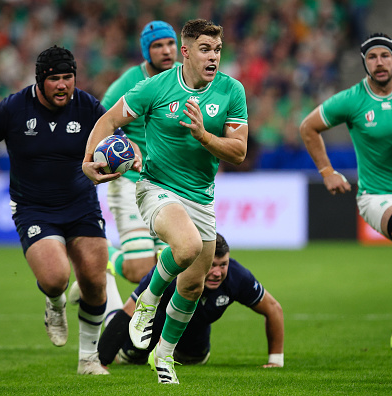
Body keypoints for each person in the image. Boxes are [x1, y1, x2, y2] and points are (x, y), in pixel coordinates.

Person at [0, 45, 140, 375]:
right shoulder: (12, 109)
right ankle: (54, 303)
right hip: (34, 208)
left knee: (95, 282)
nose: (64, 85)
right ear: (40, 81)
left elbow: (120, 139)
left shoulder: (86, 106)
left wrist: (131, 157)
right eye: (55, 79)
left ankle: (88, 360)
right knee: (55, 279)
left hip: (81, 207)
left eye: (69, 77)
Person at [82, 19, 248, 384]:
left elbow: (238, 152)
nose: (213, 57)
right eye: (205, 49)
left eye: (218, 50)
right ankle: (147, 300)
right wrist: (87, 159)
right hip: (156, 187)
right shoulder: (155, 87)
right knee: (185, 247)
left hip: (201, 197)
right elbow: (108, 119)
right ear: (186, 52)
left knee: (192, 286)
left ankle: (164, 355)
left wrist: (204, 136)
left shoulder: (231, 91)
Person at [299, 33, 392, 360]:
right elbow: (308, 127)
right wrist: (327, 172)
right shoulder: (353, 99)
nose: (379, 62)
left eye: (385, 55)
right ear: (364, 62)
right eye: (372, 57)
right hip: (375, 197)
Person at [95, 233, 284, 368]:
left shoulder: (238, 277)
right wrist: (102, 360)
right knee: (130, 358)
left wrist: (275, 361)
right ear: (197, 262)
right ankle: (106, 282)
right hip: (157, 324)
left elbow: (273, 308)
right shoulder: (167, 273)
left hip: (196, 336)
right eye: (211, 265)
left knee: (195, 361)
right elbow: (130, 311)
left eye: (223, 265)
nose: (217, 273)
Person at [101, 20, 180, 284]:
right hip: (131, 182)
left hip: (173, 183)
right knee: (139, 271)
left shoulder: (186, 76)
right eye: (158, 46)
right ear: (147, 51)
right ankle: (102, 255)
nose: (167, 50)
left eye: (170, 43)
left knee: (174, 263)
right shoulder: (129, 81)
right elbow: (100, 120)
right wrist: (125, 142)